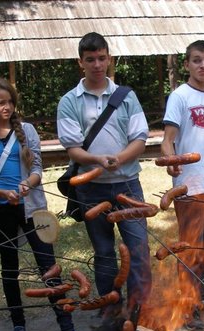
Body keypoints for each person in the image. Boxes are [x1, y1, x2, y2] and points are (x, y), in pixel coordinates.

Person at [0, 77, 78, 331]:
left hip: (32, 209)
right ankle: (18, 326)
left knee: (49, 267)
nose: (7, 107)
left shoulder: (26, 130)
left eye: (10, 102)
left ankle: (68, 328)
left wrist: (26, 184)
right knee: (9, 270)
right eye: (0, 102)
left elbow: (37, 169)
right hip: (2, 212)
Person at [57, 32, 152, 314]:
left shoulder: (127, 97)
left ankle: (139, 309)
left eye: (101, 58)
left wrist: (119, 159)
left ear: (109, 59)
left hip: (128, 186)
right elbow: (73, 149)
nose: (97, 64)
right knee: (104, 252)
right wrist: (98, 159)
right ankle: (111, 307)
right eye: (90, 59)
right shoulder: (69, 101)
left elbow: (140, 138)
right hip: (92, 188)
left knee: (139, 249)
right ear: (81, 62)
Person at [161, 40, 204, 331]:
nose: (202, 65)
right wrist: (169, 158)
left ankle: (202, 295)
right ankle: (187, 307)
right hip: (188, 186)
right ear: (187, 64)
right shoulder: (180, 97)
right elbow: (168, 138)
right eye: (197, 60)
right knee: (189, 249)